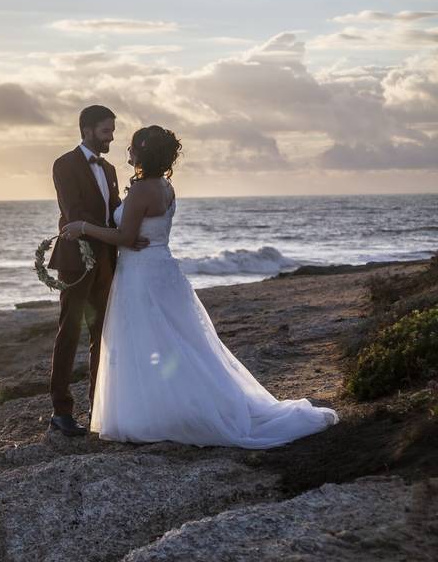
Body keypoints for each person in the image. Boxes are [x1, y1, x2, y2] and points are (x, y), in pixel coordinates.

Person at [60, 125, 338, 448]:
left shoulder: (141, 191)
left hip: (141, 274)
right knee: (176, 342)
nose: (128, 152)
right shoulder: (166, 188)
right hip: (163, 270)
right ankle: (173, 407)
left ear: (143, 153)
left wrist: (83, 227)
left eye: (133, 147)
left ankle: (154, 414)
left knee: (146, 340)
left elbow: (124, 239)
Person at [47, 105, 148, 437]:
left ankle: (98, 406)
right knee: (69, 331)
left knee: (101, 333)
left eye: (113, 131)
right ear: (87, 130)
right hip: (76, 259)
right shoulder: (64, 165)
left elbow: (114, 210)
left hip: (108, 258)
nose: (112, 137)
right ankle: (61, 412)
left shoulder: (108, 169)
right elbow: (72, 212)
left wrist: (133, 228)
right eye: (107, 131)